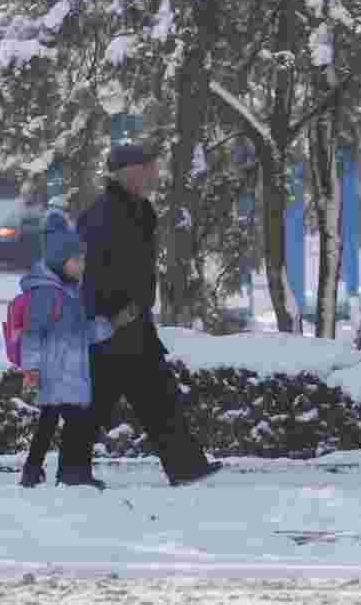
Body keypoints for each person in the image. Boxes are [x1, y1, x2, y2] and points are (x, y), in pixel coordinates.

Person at [77, 142, 223, 486]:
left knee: (155, 394)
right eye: (146, 167)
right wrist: (109, 315)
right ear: (125, 172)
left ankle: (185, 466)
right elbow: (95, 270)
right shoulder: (105, 214)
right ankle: (74, 471)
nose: (152, 173)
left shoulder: (137, 209)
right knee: (103, 400)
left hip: (132, 320)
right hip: (113, 322)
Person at [18, 211, 105, 489]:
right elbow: (32, 333)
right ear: (60, 260)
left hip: (69, 369)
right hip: (56, 369)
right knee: (78, 421)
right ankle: (73, 474)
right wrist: (31, 368)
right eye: (77, 261)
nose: (82, 266)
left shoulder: (70, 291)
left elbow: (80, 330)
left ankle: (34, 471)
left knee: (49, 422)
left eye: (83, 260)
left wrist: (107, 327)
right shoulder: (47, 293)